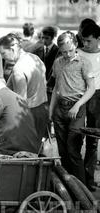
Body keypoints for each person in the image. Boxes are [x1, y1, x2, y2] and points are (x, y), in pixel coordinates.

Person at [49, 31, 95, 183]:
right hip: (60, 110)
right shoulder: (57, 63)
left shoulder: (84, 63)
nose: (67, 54)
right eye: (63, 52)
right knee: (62, 151)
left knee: (73, 149)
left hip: (77, 109)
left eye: (70, 50)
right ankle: (68, 187)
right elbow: (56, 88)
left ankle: (81, 191)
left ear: (75, 45)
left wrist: (77, 105)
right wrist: (51, 112)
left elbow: (91, 89)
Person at [0, 33, 48, 142]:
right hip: (43, 110)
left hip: (30, 113)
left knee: (26, 153)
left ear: (12, 49)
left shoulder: (18, 69)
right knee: (37, 151)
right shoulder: (35, 58)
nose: (2, 57)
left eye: (3, 53)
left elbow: (20, 103)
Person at [77, 23, 100, 191]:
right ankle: (77, 178)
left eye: (89, 41)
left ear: (98, 39)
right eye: (83, 40)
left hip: (97, 97)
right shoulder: (77, 53)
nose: (86, 44)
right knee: (76, 136)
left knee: (93, 140)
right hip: (78, 95)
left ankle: (89, 179)